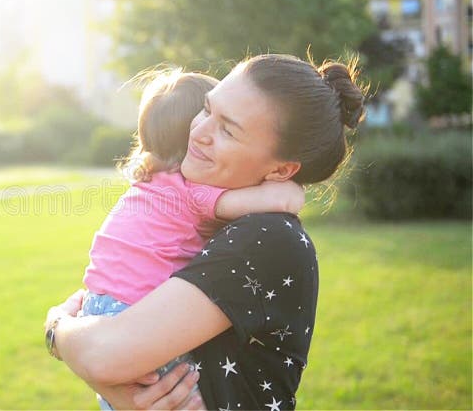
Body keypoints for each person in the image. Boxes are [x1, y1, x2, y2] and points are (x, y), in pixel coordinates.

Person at [45, 54, 365, 410]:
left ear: (281, 169)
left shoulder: (267, 238)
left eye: (227, 129)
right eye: (206, 110)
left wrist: (58, 326)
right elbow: (109, 361)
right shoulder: (221, 213)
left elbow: (105, 356)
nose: (198, 132)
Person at [79, 69, 305, 410]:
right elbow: (284, 202)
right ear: (191, 137)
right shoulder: (193, 193)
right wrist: (287, 184)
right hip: (131, 311)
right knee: (180, 399)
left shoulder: (150, 183)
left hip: (95, 307)